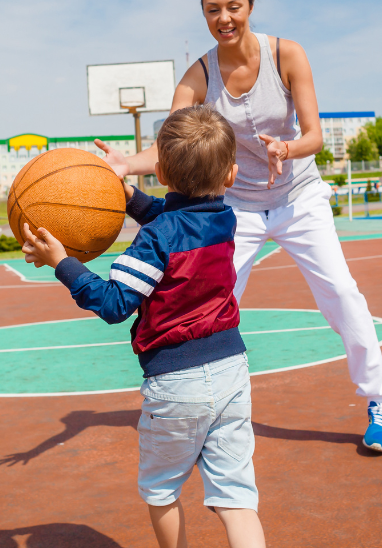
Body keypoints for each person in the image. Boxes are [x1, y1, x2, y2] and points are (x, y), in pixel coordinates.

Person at [100, 0, 382, 452]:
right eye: (212, 11)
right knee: (211, 301)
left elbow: (315, 135)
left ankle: (378, 400)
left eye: (233, 7)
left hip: (298, 196)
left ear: (251, 5)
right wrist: (127, 164)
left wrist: (287, 147)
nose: (224, 19)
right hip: (235, 207)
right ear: (204, 15)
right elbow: (172, 148)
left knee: (342, 294)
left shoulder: (287, 55)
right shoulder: (198, 77)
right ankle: (200, 401)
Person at [22, 106, 266, 548]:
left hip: (175, 383)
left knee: (162, 492)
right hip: (232, 372)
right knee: (237, 499)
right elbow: (173, 212)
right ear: (230, 176)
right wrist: (126, 193)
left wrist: (62, 263)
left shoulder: (157, 238)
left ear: (159, 169)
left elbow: (115, 303)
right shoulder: (225, 219)